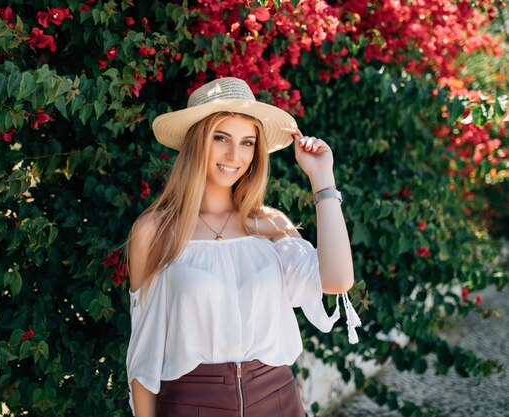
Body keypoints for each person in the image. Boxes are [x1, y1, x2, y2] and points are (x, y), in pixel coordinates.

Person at [125, 77, 361, 417]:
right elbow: (143, 357)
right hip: (191, 404)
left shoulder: (271, 226)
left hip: (276, 398)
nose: (235, 155)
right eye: (221, 137)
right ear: (197, 143)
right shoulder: (154, 231)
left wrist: (323, 180)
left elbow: (338, 281)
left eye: (248, 142)